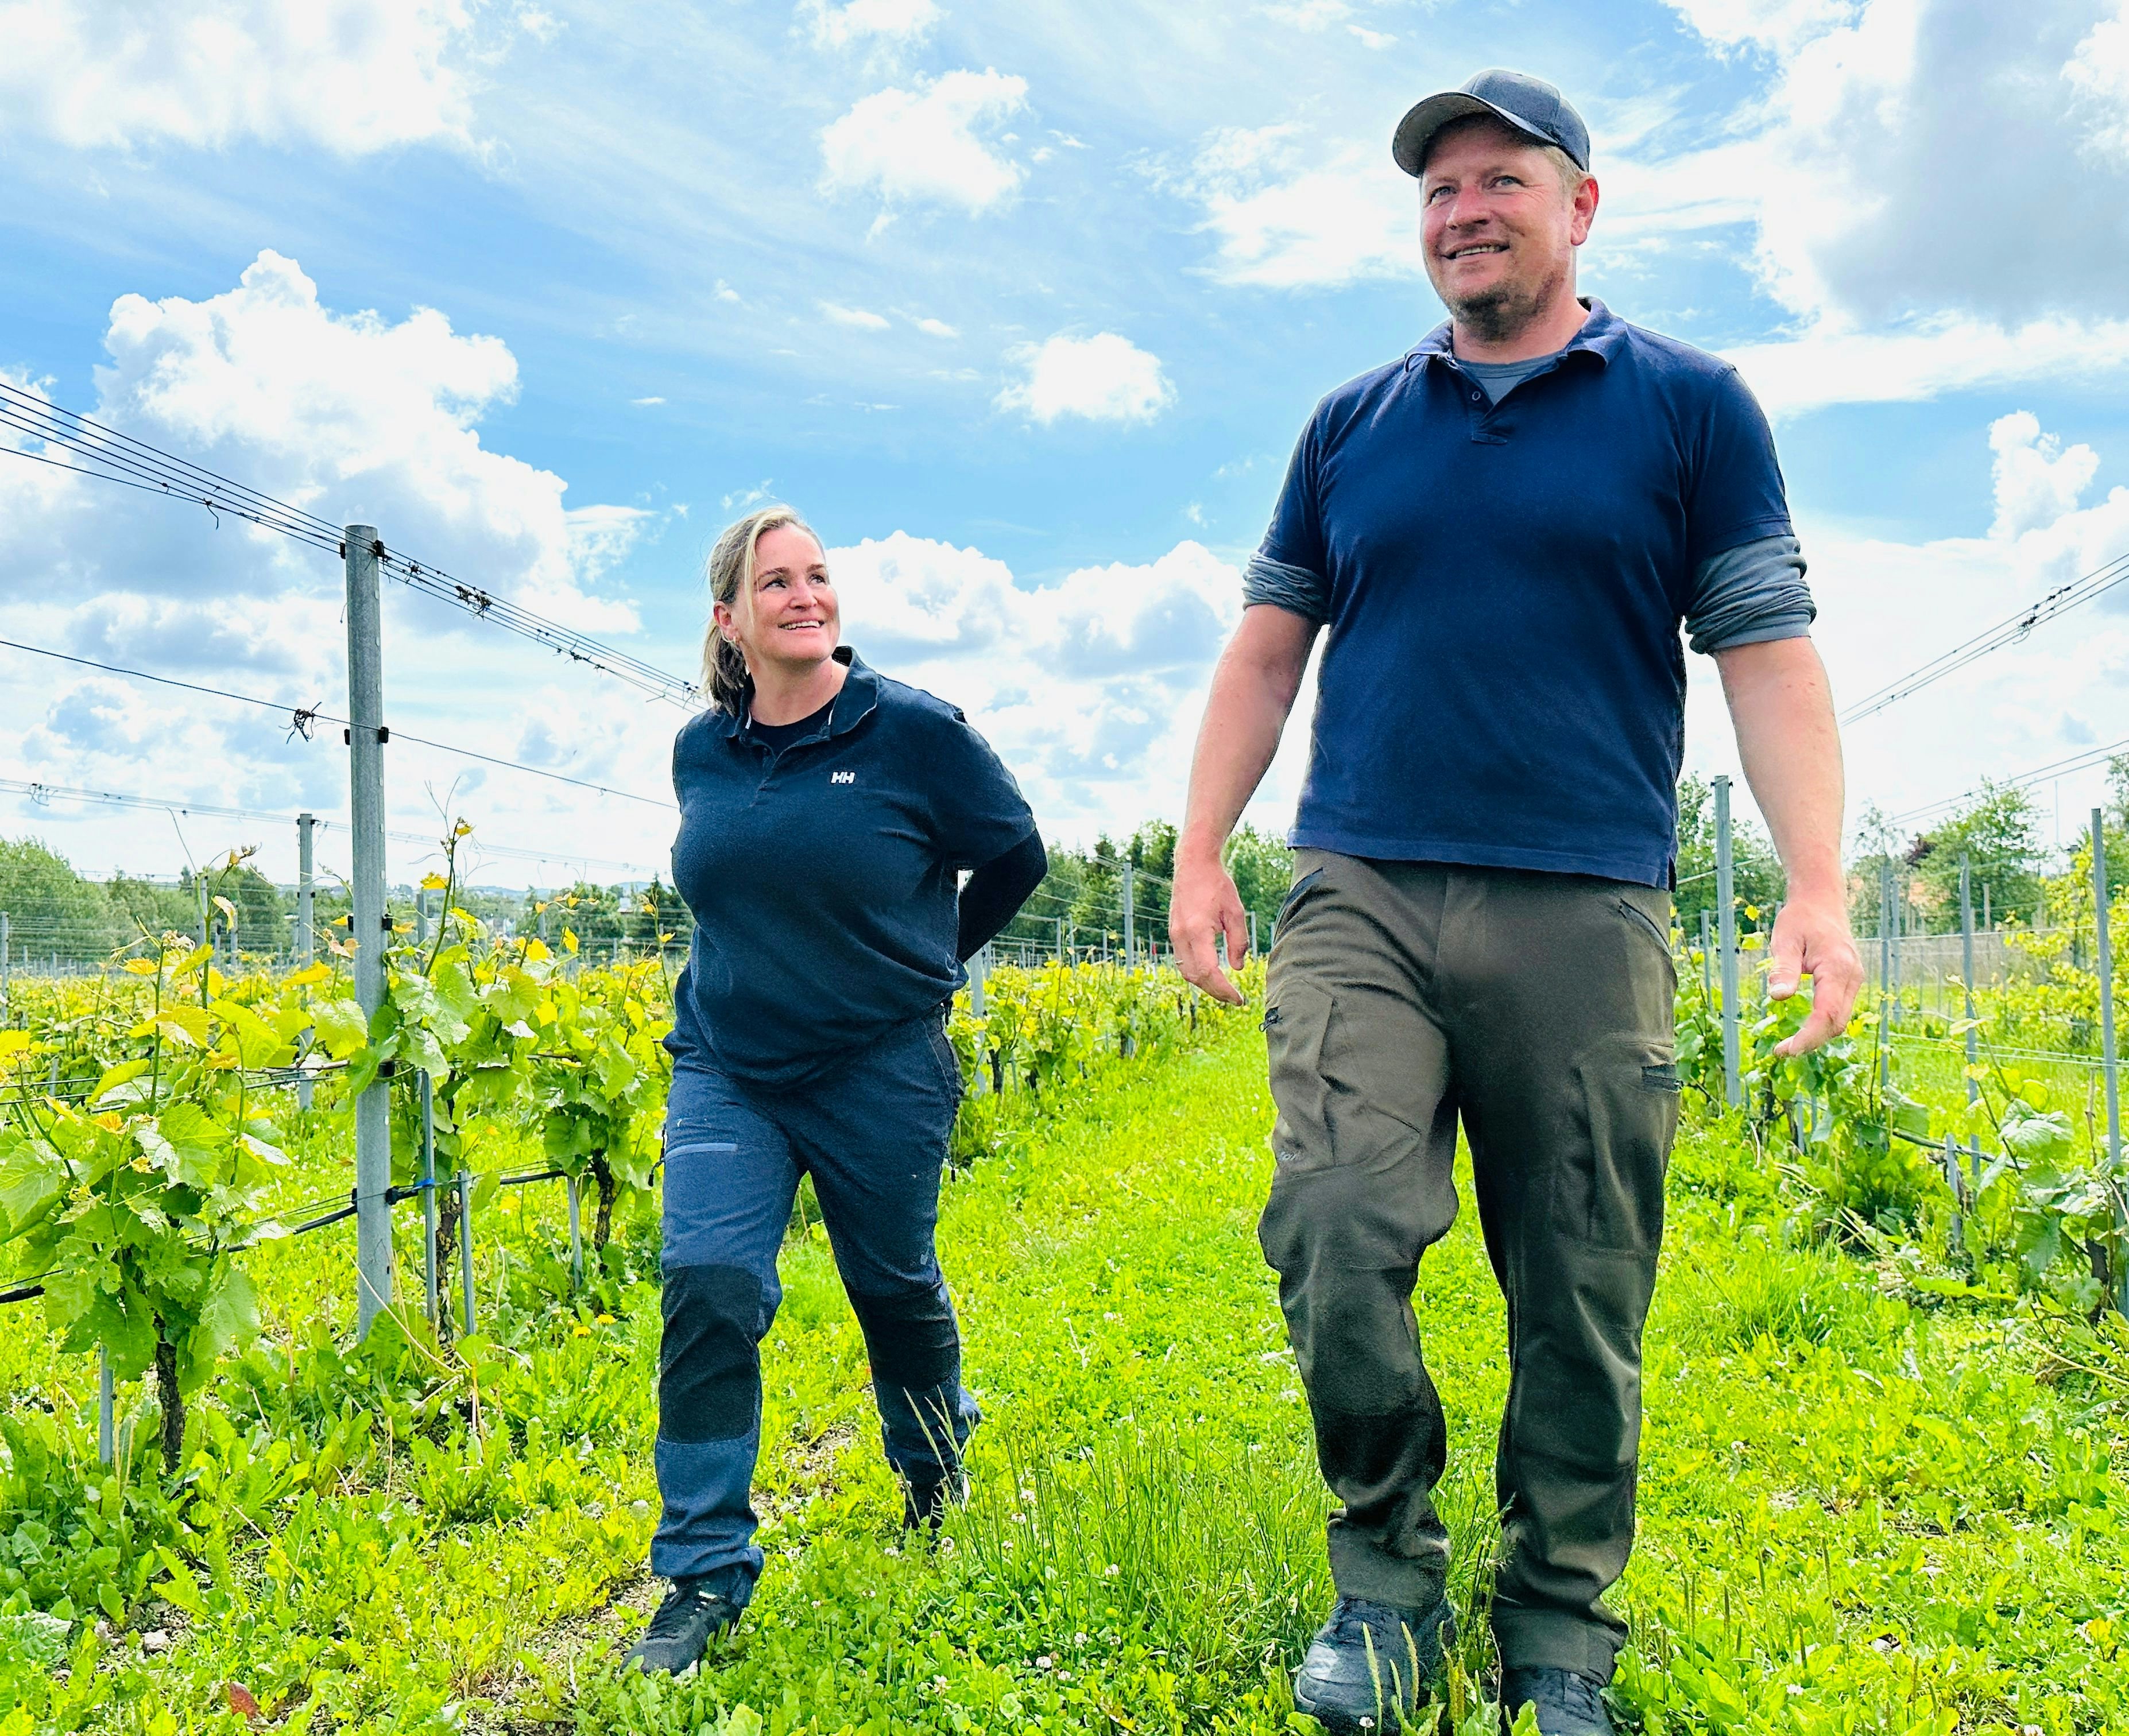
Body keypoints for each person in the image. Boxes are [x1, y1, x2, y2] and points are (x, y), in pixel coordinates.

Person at [1168, 68, 1862, 1736]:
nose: (1462, 209)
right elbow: (1267, 651)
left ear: (1579, 206)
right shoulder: (1349, 426)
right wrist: (1201, 851)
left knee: (1580, 1276)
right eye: (1434, 191)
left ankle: (1557, 1625)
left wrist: (1818, 888)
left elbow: (1764, 653)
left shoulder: (1690, 408)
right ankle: (1382, 1582)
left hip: (1586, 903)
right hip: (1361, 888)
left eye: (1498, 179)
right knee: (1334, 1224)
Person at [624, 505, 1048, 1677]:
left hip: (882, 1067)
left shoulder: (915, 733)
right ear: (729, 619)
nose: (805, 597)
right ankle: (703, 1569)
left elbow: (1016, 852)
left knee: (892, 1283)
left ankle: (929, 1463)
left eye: (818, 577)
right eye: (777, 584)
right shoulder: (701, 750)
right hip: (730, 1066)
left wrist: (934, 961)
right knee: (708, 1281)